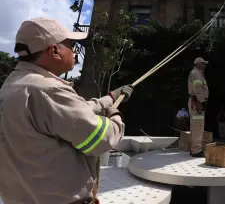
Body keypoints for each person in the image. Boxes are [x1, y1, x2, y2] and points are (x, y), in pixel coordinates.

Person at [0, 17, 133, 204]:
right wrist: (115, 115)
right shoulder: (47, 90)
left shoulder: (12, 85)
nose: (74, 51)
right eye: (71, 45)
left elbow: (70, 113)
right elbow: (100, 139)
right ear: (54, 50)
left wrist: (110, 98)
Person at [188, 57, 209, 157]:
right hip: (197, 103)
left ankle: (194, 149)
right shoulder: (196, 73)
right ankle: (196, 150)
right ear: (198, 64)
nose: (205, 65)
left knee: (195, 126)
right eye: (203, 63)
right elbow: (197, 89)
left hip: (195, 102)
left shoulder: (196, 73)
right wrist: (198, 102)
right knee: (198, 127)